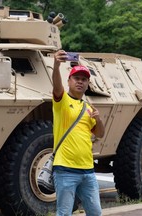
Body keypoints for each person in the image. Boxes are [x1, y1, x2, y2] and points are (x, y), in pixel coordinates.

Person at [52, 50, 105, 216]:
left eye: (84, 79)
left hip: (87, 171)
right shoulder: (62, 100)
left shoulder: (88, 108)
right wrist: (56, 65)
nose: (80, 82)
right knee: (64, 213)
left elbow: (100, 134)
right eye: (76, 78)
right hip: (65, 170)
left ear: (88, 84)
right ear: (69, 81)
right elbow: (56, 86)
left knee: (95, 212)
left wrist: (99, 119)